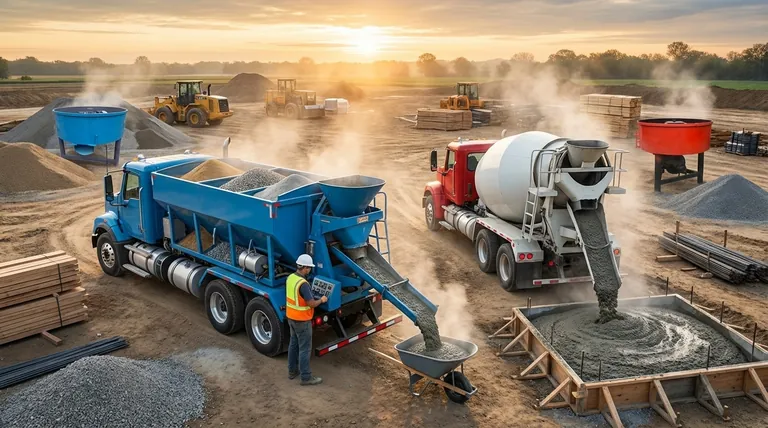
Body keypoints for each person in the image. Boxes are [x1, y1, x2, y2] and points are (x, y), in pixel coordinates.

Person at [286, 254, 326, 386]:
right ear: (305, 268)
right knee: (304, 349)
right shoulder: (303, 284)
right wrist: (321, 300)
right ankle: (306, 377)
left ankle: (292, 371)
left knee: (293, 345)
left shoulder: (291, 278)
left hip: (291, 318)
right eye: (309, 268)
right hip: (302, 321)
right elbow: (311, 304)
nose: (309, 270)